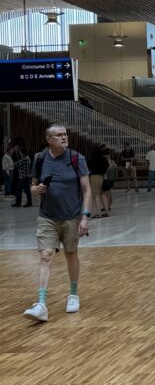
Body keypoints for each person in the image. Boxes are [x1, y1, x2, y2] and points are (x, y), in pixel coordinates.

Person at [24, 123, 91, 322]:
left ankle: (73, 294)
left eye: (65, 134)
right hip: (47, 216)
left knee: (71, 254)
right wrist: (35, 190)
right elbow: (33, 185)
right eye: (59, 135)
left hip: (72, 216)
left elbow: (86, 189)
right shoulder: (39, 158)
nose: (64, 137)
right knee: (46, 256)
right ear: (49, 140)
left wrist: (85, 216)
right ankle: (41, 304)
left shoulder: (76, 158)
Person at [88, 143, 109, 216]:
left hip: (95, 177)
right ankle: (107, 211)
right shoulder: (104, 160)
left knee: (95, 195)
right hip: (102, 177)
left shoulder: (92, 160)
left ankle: (98, 212)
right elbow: (107, 166)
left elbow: (88, 167)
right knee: (103, 194)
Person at [11, 142, 33, 207]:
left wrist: (11, 164)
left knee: (26, 191)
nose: (19, 152)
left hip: (24, 177)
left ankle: (29, 203)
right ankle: (18, 203)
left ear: (22, 152)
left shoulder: (25, 159)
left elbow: (15, 164)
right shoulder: (26, 157)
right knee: (19, 191)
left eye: (20, 151)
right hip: (22, 177)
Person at [101, 149, 118, 214]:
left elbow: (109, 168)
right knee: (108, 192)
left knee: (107, 193)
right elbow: (115, 168)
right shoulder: (112, 161)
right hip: (111, 178)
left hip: (107, 178)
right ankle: (108, 206)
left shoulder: (106, 160)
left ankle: (107, 206)